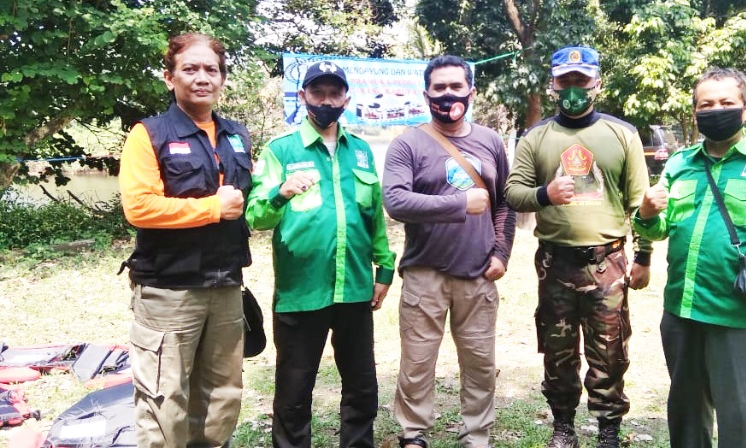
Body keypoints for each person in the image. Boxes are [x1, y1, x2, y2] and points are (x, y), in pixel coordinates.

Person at [633, 68, 746, 447]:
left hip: (741, 316)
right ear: (695, 112)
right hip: (682, 312)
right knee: (685, 416)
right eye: (706, 105)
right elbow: (660, 228)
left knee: (741, 421)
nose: (716, 110)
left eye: (726, 103)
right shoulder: (680, 162)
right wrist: (646, 214)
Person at [505, 46, 652, 448]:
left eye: (581, 81)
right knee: (558, 351)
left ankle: (608, 432)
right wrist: (545, 194)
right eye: (565, 80)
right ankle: (563, 428)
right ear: (553, 85)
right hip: (556, 264)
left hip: (608, 263)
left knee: (610, 351)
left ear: (596, 84)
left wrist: (644, 256)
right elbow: (513, 193)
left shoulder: (623, 134)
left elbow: (641, 204)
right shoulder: (536, 137)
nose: (573, 88)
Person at [245, 60, 396, 448]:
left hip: (355, 288)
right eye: (318, 92)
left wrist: (384, 269)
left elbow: (373, 216)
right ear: (303, 96)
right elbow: (256, 216)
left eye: (334, 93)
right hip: (302, 291)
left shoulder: (360, 151)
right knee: (294, 392)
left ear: (346, 98)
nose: (326, 101)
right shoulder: (281, 150)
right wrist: (281, 192)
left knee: (362, 387)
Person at [119, 33, 252, 447]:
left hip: (226, 286)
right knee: (164, 399)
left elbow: (247, 200)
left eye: (211, 69)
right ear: (169, 77)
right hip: (169, 289)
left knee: (222, 396)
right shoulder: (149, 134)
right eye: (190, 69)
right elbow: (139, 207)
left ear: (222, 78)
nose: (202, 78)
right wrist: (212, 208)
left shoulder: (236, 135)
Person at [383, 55, 516, 448]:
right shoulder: (407, 143)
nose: (447, 95)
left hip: (478, 272)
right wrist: (459, 204)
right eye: (439, 88)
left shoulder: (490, 141)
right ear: (426, 95)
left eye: (456, 87)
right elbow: (395, 201)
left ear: (471, 92)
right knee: (417, 360)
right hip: (425, 272)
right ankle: (413, 432)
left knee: (480, 362)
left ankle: (476, 434)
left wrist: (501, 252)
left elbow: (505, 202)